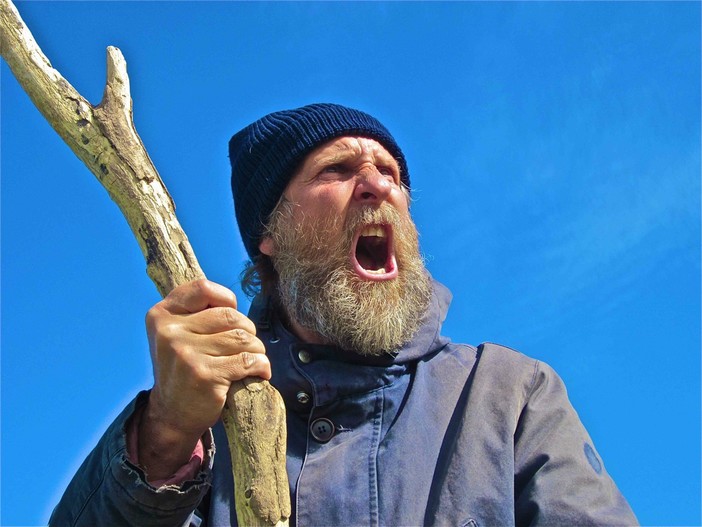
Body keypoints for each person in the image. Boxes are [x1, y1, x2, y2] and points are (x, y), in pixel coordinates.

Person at [50, 103, 637, 526]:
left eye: (392, 174)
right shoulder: (203, 418)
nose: (377, 185)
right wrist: (164, 437)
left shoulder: (508, 395)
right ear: (269, 235)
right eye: (337, 169)